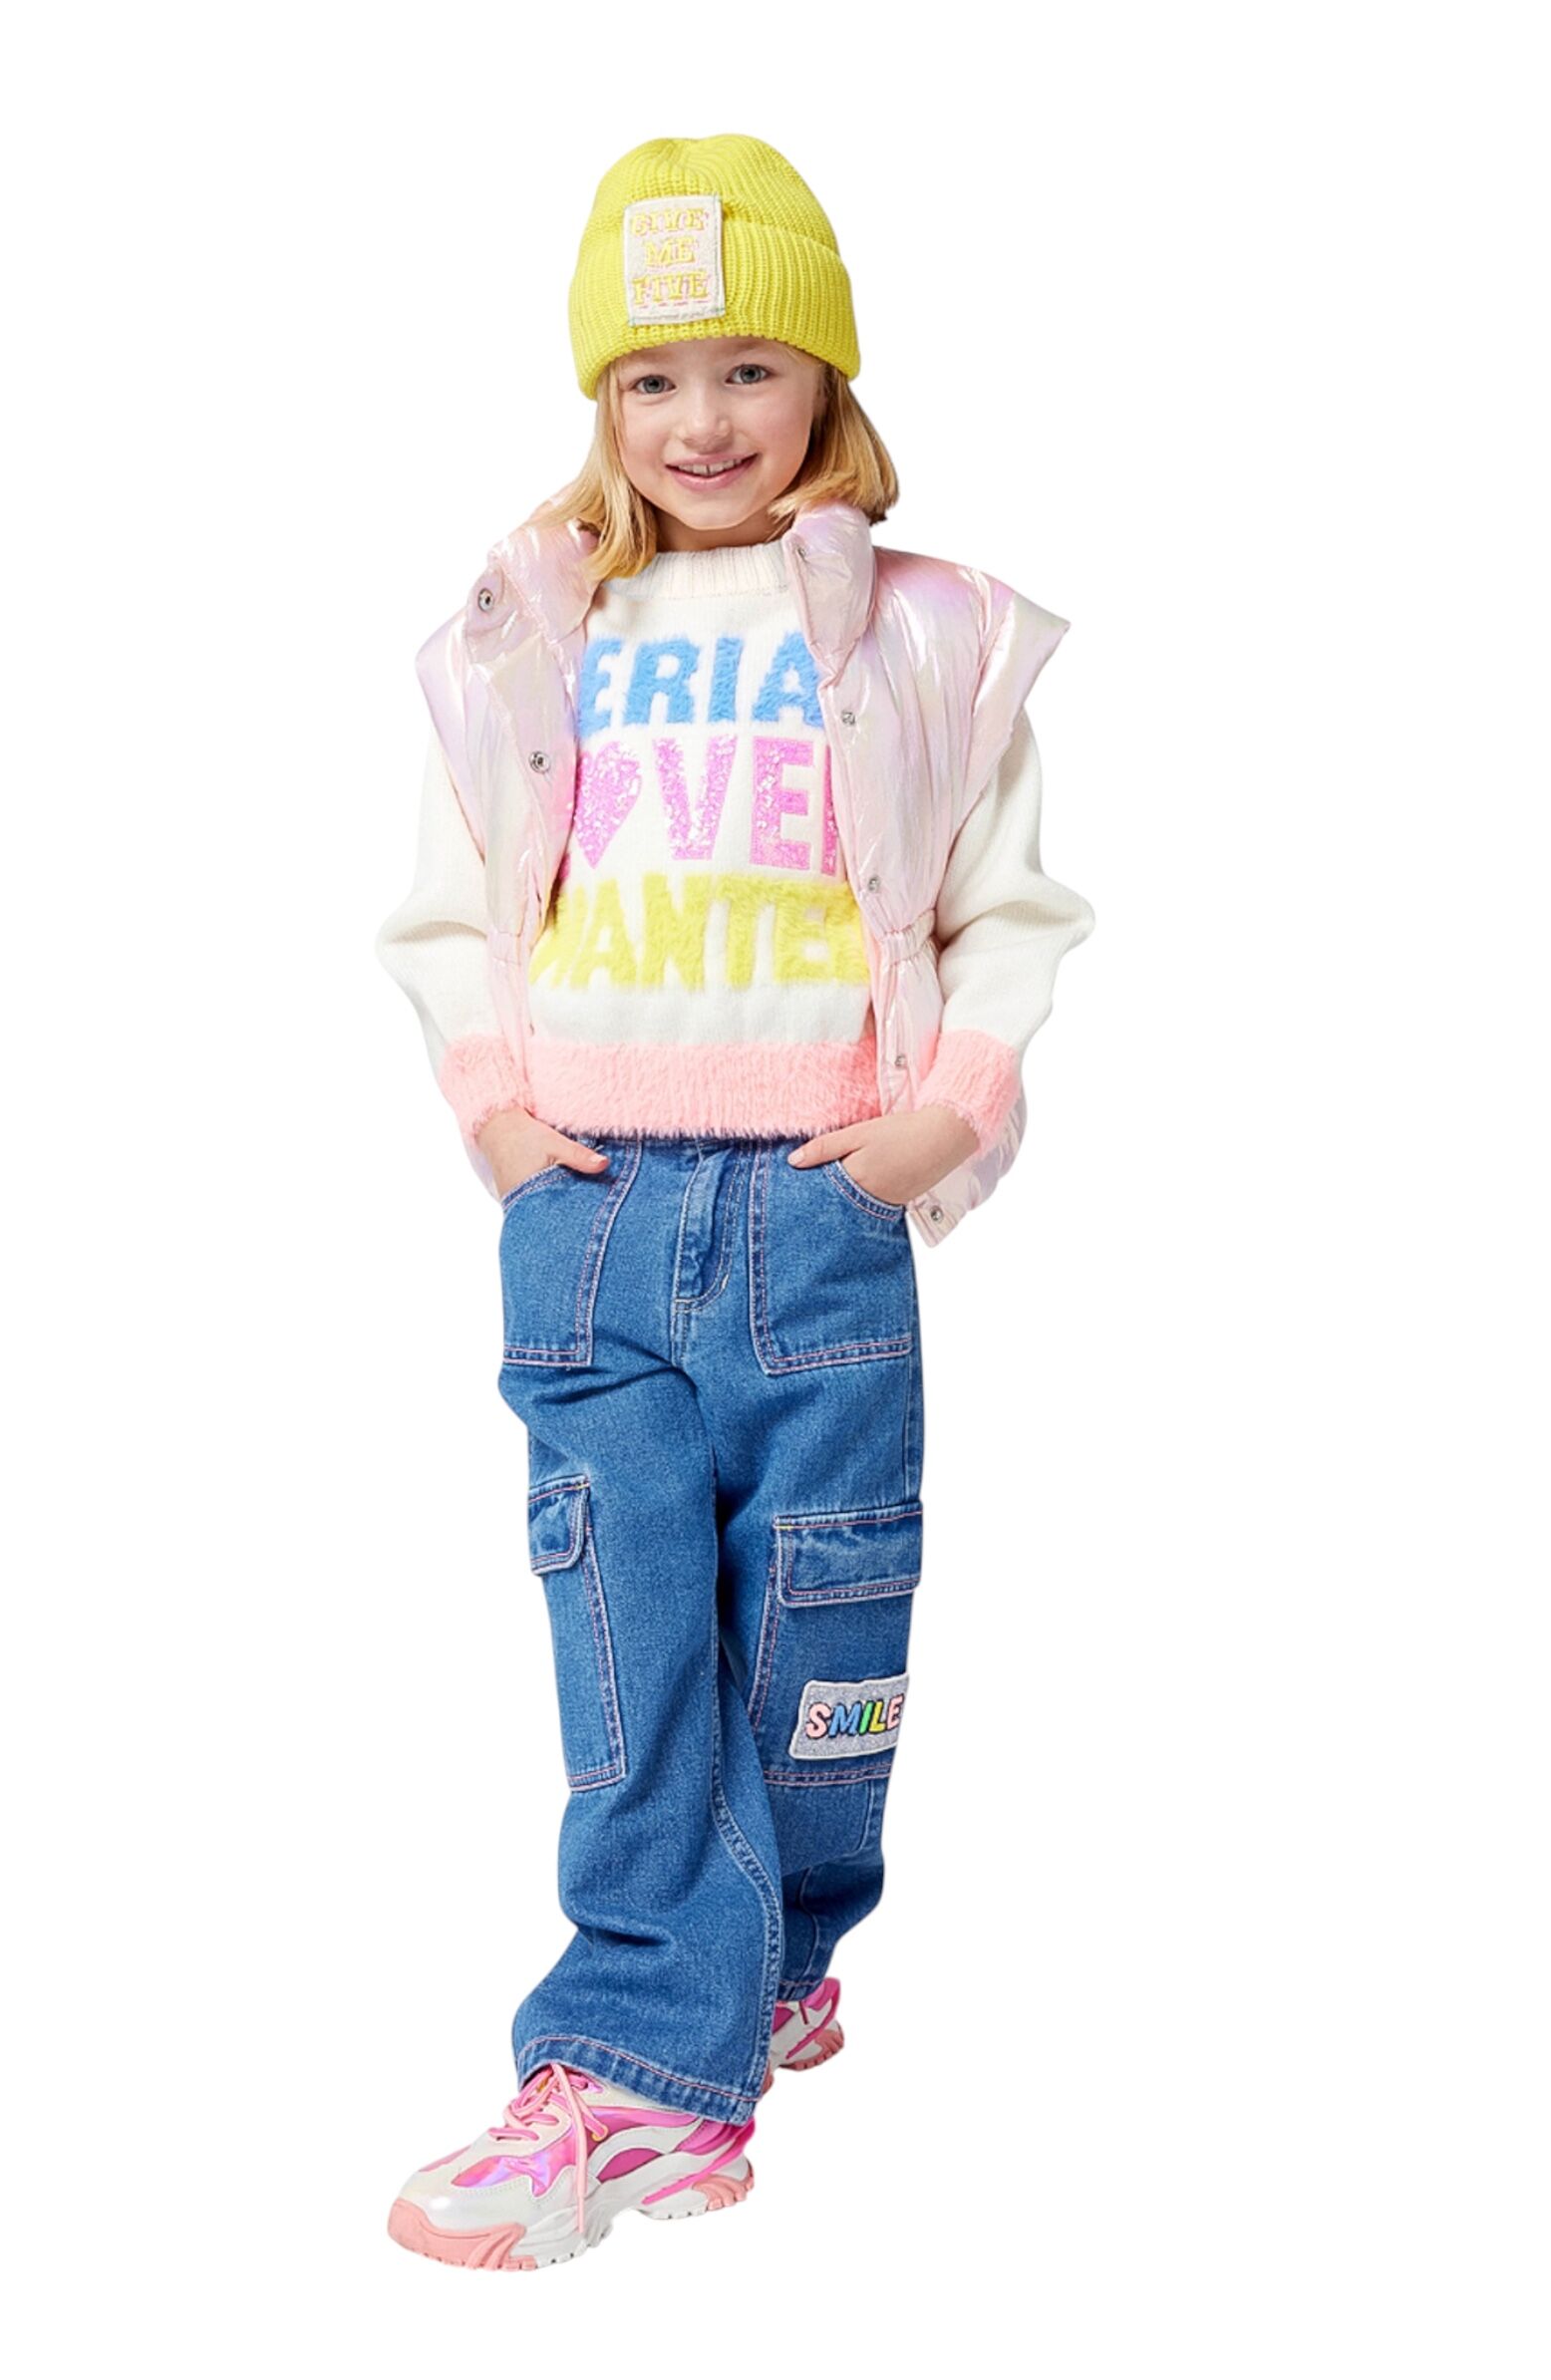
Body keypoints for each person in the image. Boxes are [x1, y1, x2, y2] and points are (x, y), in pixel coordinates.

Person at [375, 133, 1095, 2273]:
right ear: (599, 400)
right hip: (589, 1212)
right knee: (628, 1646)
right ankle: (635, 2075)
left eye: (748, 369)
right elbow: (451, 902)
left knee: (817, 1635)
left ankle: (768, 1962)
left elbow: (1009, 908)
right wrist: (500, 1121)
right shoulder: (532, 625)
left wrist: (934, 1127)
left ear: (826, 380)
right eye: (649, 379)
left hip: (819, 1215)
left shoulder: (929, 633)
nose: (700, 422)